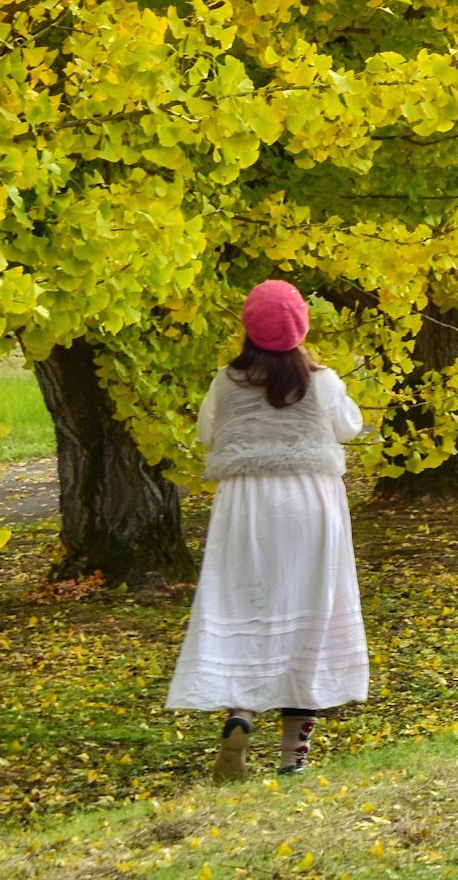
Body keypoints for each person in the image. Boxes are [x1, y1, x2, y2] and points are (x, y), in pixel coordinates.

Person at [166, 279, 369, 782]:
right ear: (302, 326)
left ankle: (241, 716)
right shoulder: (322, 381)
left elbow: (208, 433)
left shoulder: (225, 382)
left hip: (246, 504)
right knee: (310, 616)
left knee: (250, 608)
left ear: (247, 327)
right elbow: (350, 427)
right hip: (311, 499)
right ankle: (291, 759)